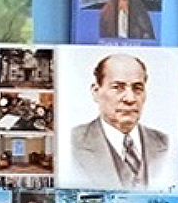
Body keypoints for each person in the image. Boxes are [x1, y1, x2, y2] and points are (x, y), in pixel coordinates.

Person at [71, 53, 167, 189]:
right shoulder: (71, 143)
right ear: (96, 92)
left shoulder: (165, 144)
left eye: (137, 88)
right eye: (117, 87)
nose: (130, 99)